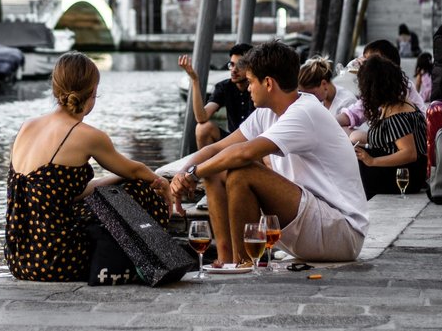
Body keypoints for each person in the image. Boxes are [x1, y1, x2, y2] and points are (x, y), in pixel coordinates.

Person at [170, 42, 368, 264]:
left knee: (242, 172)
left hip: (342, 232)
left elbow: (244, 154)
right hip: (313, 222)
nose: (248, 88)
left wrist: (193, 175)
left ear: (268, 83)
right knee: (215, 168)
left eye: (251, 81)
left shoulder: (305, 112)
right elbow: (215, 148)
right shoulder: (266, 113)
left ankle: (242, 264)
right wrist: (182, 174)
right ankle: (225, 261)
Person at [5, 52, 172, 282]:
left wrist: (116, 179)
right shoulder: (87, 135)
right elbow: (135, 171)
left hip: (20, 260)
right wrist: (164, 187)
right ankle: (148, 260)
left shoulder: (27, 127)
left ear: (55, 88)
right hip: (56, 260)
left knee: (116, 189)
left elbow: (60, 193)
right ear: (92, 92)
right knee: (141, 189)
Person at [352, 55, 428, 199]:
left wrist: (372, 161)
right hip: (410, 173)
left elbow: (409, 153)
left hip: (404, 177)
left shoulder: (396, 113)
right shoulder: (399, 102)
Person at [178, 43, 254, 149]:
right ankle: (208, 164)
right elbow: (202, 117)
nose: (233, 70)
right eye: (231, 64)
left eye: (240, 65)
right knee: (202, 128)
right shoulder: (224, 87)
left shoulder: (258, 87)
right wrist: (195, 80)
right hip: (232, 141)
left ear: (251, 67)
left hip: (255, 143)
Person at [336, 40, 426, 129]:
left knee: (354, 136)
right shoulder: (376, 88)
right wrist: (331, 121)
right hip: (391, 136)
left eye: (370, 61)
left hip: (414, 135)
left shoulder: (399, 86)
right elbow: (355, 113)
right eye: (364, 59)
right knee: (345, 131)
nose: (364, 65)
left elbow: (397, 129)